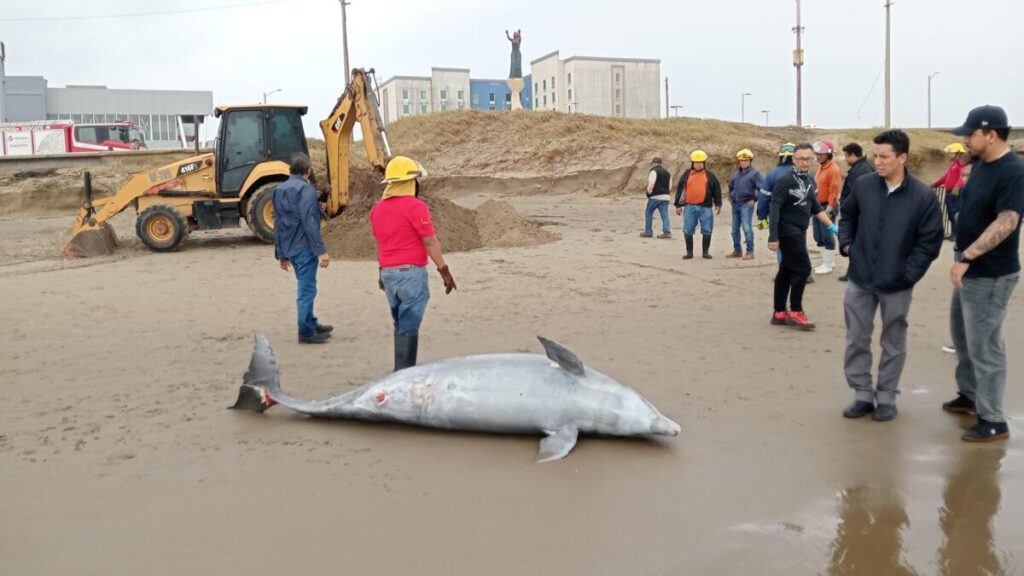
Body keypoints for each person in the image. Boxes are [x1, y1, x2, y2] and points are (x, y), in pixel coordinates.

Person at [837, 129, 944, 422]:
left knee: (893, 342)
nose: (878, 161)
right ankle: (861, 394)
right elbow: (847, 216)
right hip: (860, 279)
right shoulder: (864, 185)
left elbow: (930, 241)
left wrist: (908, 275)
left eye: (884, 156)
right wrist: (847, 246)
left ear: (902, 158)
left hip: (897, 284)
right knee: (856, 338)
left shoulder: (923, 196)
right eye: (876, 156)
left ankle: (886, 397)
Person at [945, 105, 1023, 442]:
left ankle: (993, 420)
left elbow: (1008, 221)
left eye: (970, 134)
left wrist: (968, 256)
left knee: (985, 345)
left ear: (991, 134)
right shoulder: (979, 165)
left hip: (991, 273)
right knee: (962, 336)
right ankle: (969, 394)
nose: (965, 139)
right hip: (969, 269)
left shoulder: (1013, 170)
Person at [370, 156, 458, 371]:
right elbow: (430, 241)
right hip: (410, 274)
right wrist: (444, 271)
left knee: (400, 322)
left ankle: (401, 367)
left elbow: (382, 242)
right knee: (409, 324)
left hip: (389, 275)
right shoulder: (416, 207)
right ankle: (403, 371)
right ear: (410, 182)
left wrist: (381, 271)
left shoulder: (377, 209)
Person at [768, 143, 838, 330]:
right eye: (800, 159)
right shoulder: (785, 181)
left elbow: (816, 207)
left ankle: (779, 312)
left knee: (786, 270)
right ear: (794, 159)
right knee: (803, 268)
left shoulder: (810, 180)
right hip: (787, 230)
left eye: (807, 159)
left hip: (800, 229)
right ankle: (796, 311)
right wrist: (773, 236)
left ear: (812, 159)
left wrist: (833, 227)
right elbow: (774, 208)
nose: (804, 162)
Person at [273, 153, 332, 344]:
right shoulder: (306, 190)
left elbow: (278, 222)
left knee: (306, 286)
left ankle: (310, 322)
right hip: (304, 247)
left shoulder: (279, 189)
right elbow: (310, 222)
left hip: (290, 247)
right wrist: (321, 251)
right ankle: (306, 331)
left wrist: (281, 254)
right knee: (307, 290)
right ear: (308, 170)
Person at [942, 161, 973, 355]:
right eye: (963, 176)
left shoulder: (982, 200)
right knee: (961, 303)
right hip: (961, 253)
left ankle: (967, 345)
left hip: (972, 260)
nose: (964, 180)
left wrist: (966, 259)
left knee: (968, 303)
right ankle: (963, 343)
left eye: (968, 176)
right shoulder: (967, 196)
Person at [837, 143, 875, 282]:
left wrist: (848, 208)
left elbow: (856, 194)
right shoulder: (862, 167)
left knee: (856, 243)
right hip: (861, 212)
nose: (845, 159)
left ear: (853, 155)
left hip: (858, 213)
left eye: (846, 156)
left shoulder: (861, 170)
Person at [674, 150, 722, 259]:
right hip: (689, 207)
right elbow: (680, 190)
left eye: (701, 162)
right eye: (696, 162)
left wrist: (718, 204)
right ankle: (689, 253)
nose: (699, 164)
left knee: (707, 229)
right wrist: (678, 205)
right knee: (688, 230)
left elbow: (717, 190)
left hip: (706, 207)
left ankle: (705, 252)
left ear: (704, 163)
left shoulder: (710, 175)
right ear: (692, 163)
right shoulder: (686, 175)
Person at [726, 149, 763, 260]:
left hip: (746, 204)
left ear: (750, 161)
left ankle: (750, 252)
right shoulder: (736, 173)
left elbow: (763, 188)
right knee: (734, 230)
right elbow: (731, 186)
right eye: (741, 160)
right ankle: (737, 251)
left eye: (746, 160)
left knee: (747, 228)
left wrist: (754, 199)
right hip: (735, 204)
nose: (743, 162)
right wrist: (730, 196)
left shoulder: (755, 173)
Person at [812, 139, 842, 275]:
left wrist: (829, 209)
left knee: (827, 236)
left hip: (827, 206)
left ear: (828, 154)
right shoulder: (821, 167)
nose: (818, 156)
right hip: (817, 206)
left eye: (821, 154)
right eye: (817, 153)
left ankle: (828, 264)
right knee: (818, 236)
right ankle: (827, 261)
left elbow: (834, 190)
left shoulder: (833, 169)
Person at [933, 142, 968, 239]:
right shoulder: (953, 164)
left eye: (951, 153)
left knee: (955, 213)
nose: (949, 155)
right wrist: (935, 184)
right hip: (949, 193)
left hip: (955, 193)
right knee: (951, 214)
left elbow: (962, 177)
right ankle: (953, 234)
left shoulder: (961, 164)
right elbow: (945, 177)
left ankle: (957, 235)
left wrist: (956, 187)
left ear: (958, 154)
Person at [641, 157, 673, 239]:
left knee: (649, 212)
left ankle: (648, 231)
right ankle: (667, 232)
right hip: (666, 197)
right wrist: (666, 193)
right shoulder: (667, 173)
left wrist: (649, 192)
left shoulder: (654, 171)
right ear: (661, 163)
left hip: (655, 196)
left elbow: (651, 184)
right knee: (665, 214)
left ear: (653, 163)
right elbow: (670, 186)